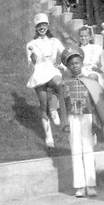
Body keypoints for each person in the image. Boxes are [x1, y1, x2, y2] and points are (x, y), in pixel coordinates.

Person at [61, 46, 98, 198]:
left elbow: (96, 102)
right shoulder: (64, 83)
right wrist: (65, 123)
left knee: (88, 148)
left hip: (87, 116)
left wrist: (96, 121)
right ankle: (80, 186)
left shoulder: (89, 80)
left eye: (77, 62)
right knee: (76, 149)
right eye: (71, 64)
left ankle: (91, 184)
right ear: (68, 67)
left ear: (81, 63)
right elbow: (62, 104)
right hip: (73, 117)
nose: (74, 66)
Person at [26, 13, 65, 147]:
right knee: (43, 106)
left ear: (47, 26)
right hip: (39, 72)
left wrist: (61, 65)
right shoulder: (31, 44)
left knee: (58, 83)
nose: (42, 27)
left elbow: (66, 54)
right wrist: (33, 59)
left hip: (52, 69)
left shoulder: (54, 41)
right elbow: (30, 64)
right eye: (39, 25)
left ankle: (54, 108)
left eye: (44, 25)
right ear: (36, 28)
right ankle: (49, 137)